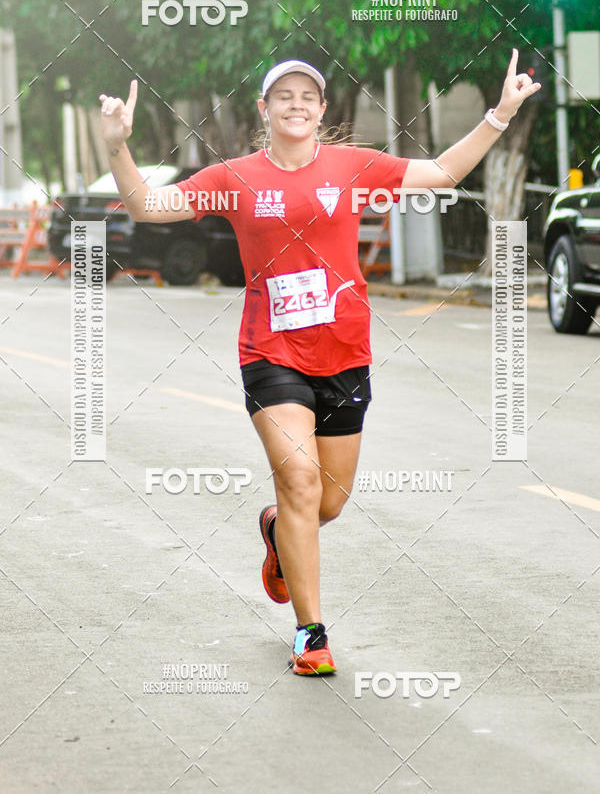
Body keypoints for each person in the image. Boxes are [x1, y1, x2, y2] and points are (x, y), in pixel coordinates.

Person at [99, 52, 539, 676]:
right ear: (265, 108)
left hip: (344, 354)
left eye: (308, 95)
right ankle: (311, 634)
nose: (297, 104)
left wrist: (500, 114)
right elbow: (147, 205)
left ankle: (278, 531)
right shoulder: (235, 176)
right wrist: (118, 147)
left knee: (327, 503)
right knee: (301, 482)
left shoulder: (354, 166)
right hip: (270, 354)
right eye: (284, 96)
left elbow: (442, 170)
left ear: (322, 108)